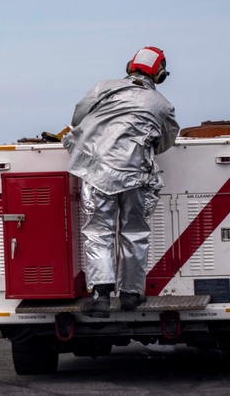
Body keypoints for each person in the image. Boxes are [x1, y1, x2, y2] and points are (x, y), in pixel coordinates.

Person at [62, 46, 179, 316]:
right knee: (135, 233)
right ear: (159, 75)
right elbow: (166, 142)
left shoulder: (103, 88)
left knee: (99, 233)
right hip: (137, 174)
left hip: (97, 171)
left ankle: (101, 297)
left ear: (129, 66)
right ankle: (130, 294)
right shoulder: (162, 105)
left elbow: (78, 117)